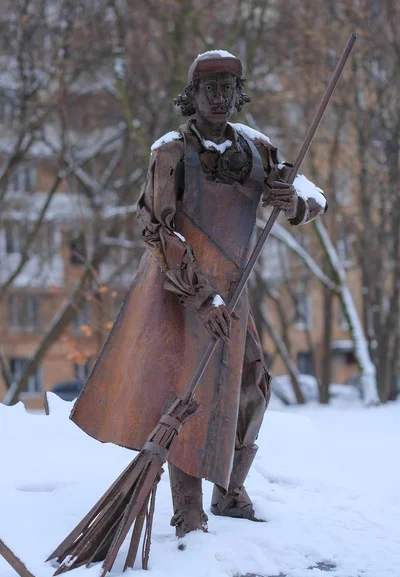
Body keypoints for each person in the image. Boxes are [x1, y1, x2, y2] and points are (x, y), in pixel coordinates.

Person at [70, 50, 327, 541]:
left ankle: (230, 489)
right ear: (191, 95)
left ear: (238, 91)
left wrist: (292, 199)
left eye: (227, 86)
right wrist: (201, 298)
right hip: (178, 291)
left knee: (253, 386)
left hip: (235, 289)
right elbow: (157, 227)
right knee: (185, 395)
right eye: (208, 87)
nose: (218, 96)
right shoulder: (171, 151)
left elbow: (315, 197)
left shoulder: (258, 147)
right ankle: (188, 509)